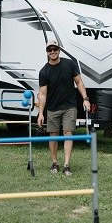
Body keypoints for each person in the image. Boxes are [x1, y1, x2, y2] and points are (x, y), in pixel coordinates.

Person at [37, 40, 91, 176]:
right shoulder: (44, 71)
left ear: (59, 50)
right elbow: (42, 94)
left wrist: (85, 99)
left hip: (69, 106)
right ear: (47, 52)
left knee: (68, 133)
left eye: (55, 49)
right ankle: (54, 162)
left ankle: (66, 165)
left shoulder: (69, 64)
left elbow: (79, 82)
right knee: (53, 135)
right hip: (53, 107)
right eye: (50, 50)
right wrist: (41, 113)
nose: (53, 52)